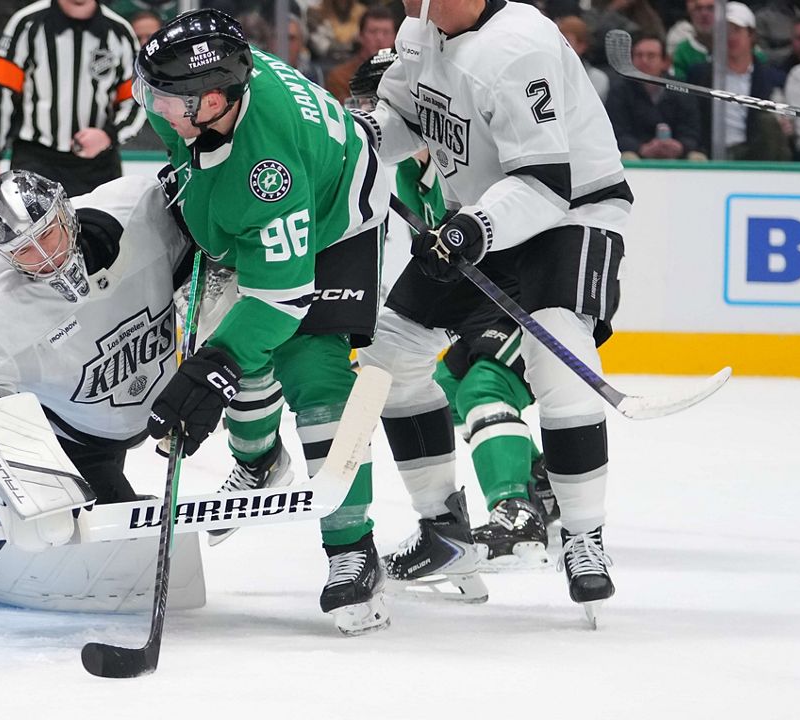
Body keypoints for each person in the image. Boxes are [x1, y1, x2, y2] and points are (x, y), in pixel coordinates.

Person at [354, 0, 632, 622]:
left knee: (558, 355)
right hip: (484, 214)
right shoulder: (419, 32)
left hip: (568, 214)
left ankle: (583, 537)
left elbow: (545, 183)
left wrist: (468, 230)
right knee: (387, 358)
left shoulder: (519, 45)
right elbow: (404, 120)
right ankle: (443, 530)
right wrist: (357, 139)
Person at [135, 8, 395, 635]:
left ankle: (353, 550)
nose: (152, 105)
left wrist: (209, 369)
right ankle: (257, 461)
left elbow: (281, 299)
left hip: (339, 223)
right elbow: (178, 137)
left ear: (215, 100)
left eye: (167, 98)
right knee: (234, 360)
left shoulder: (266, 171)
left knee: (313, 373)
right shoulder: (197, 96)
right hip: (253, 218)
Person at [0, 169, 207, 610]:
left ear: (67, 209)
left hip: (162, 400)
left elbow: (216, 207)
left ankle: (257, 453)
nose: (46, 257)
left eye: (48, 234)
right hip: (75, 440)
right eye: (24, 249)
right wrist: (20, 492)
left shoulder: (138, 208)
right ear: (3, 255)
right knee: (101, 548)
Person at [349, 48, 558, 571]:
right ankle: (537, 480)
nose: (372, 118)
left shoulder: (476, 155)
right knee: (434, 391)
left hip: (525, 282)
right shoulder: (408, 175)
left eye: (379, 105)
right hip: (471, 294)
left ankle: (516, 513)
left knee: (486, 386)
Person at [0, 0, 145, 197]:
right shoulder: (27, 24)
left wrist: (108, 135)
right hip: (36, 159)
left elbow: (136, 98)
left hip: (98, 165)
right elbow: (1, 93)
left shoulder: (119, 32)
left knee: (97, 228)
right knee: (36, 229)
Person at [684, 2, 790, 162]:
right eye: (724, 31)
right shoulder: (699, 75)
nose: (730, 37)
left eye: (736, 30)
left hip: (757, 156)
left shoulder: (771, 77)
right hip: (710, 155)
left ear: (751, 35)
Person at [605, 33, 706, 160]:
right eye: (639, 55)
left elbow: (692, 130)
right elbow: (617, 131)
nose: (644, 61)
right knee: (628, 157)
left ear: (665, 62)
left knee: (697, 158)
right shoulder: (619, 91)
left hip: (677, 155)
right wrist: (641, 148)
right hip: (636, 154)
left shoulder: (682, 90)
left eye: (651, 56)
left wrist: (680, 146)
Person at [325, 6, 397, 102]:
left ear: (395, 37)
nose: (379, 38)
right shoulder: (340, 77)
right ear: (360, 35)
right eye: (373, 32)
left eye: (386, 32)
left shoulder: (403, 74)